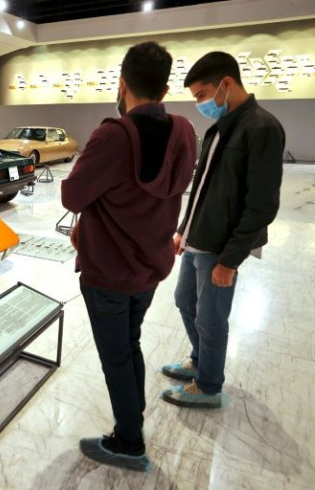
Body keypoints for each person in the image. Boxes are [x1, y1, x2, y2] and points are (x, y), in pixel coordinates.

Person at [61, 41, 196, 471]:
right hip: (150, 268)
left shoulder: (113, 136)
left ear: (122, 83)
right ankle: (132, 420)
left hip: (108, 273)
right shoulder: (185, 131)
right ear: (166, 84)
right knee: (130, 343)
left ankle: (128, 441)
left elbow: (71, 193)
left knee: (116, 354)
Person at [161, 52, 285, 408]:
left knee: (211, 318)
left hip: (221, 246)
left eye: (202, 95)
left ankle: (209, 385)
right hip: (198, 238)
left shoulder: (263, 128)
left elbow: (262, 205)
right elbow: (202, 187)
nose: (200, 104)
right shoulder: (221, 126)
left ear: (225, 85)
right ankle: (200, 361)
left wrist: (230, 261)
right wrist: (184, 229)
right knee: (185, 301)